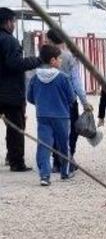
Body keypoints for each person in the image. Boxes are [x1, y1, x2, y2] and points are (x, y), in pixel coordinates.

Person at [26, 44, 75, 186]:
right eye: (59, 59)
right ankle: (65, 172)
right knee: (63, 145)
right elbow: (71, 98)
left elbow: (30, 98)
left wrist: (41, 103)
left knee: (44, 145)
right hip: (61, 116)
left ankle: (45, 176)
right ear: (53, 60)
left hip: (42, 116)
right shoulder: (63, 78)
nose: (60, 61)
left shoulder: (35, 78)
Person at [0, 7, 41, 172]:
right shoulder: (9, 41)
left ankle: (11, 157)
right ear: (9, 22)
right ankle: (16, 161)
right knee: (16, 128)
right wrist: (37, 60)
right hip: (9, 92)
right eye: (14, 22)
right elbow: (15, 64)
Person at [45, 28, 91, 174]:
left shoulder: (45, 58)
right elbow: (76, 81)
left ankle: (57, 162)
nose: (46, 42)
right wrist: (84, 101)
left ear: (52, 41)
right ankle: (69, 159)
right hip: (69, 100)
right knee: (71, 131)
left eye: (47, 39)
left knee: (53, 130)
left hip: (51, 100)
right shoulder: (69, 58)